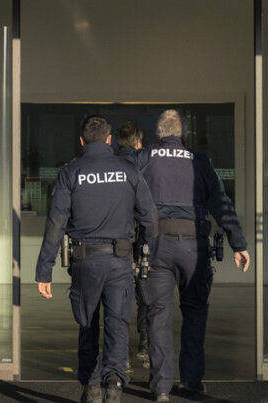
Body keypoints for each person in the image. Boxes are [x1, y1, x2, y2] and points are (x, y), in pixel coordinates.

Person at [36, 115, 157, 403]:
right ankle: (114, 387)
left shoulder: (71, 172)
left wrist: (44, 270)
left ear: (81, 141)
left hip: (84, 262)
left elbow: (56, 224)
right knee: (117, 326)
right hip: (120, 261)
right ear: (108, 139)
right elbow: (150, 218)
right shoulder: (127, 170)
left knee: (88, 325)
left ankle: (91, 388)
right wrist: (147, 251)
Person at [139, 109, 250, 402]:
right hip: (194, 247)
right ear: (183, 135)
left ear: (158, 133)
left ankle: (161, 387)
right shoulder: (200, 162)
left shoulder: (145, 158)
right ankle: (191, 381)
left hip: (156, 246)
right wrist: (238, 243)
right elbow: (221, 203)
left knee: (157, 315)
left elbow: (128, 196)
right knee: (196, 313)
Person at [114, 121, 151, 368]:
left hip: (119, 238)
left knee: (119, 295)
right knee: (146, 293)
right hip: (143, 237)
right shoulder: (145, 164)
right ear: (138, 143)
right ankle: (146, 345)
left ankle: (121, 354)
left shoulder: (112, 165)